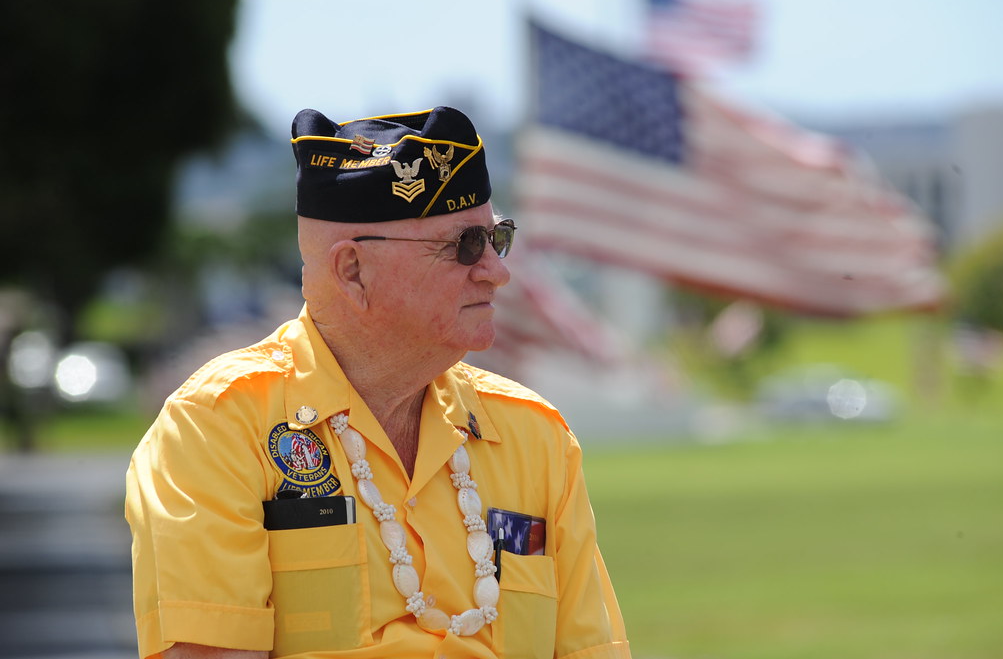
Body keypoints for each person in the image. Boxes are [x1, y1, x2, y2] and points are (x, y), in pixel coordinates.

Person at [125, 106, 631, 659]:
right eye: (464, 245)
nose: (496, 270)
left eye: (497, 239)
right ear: (352, 272)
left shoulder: (537, 438)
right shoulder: (218, 424)